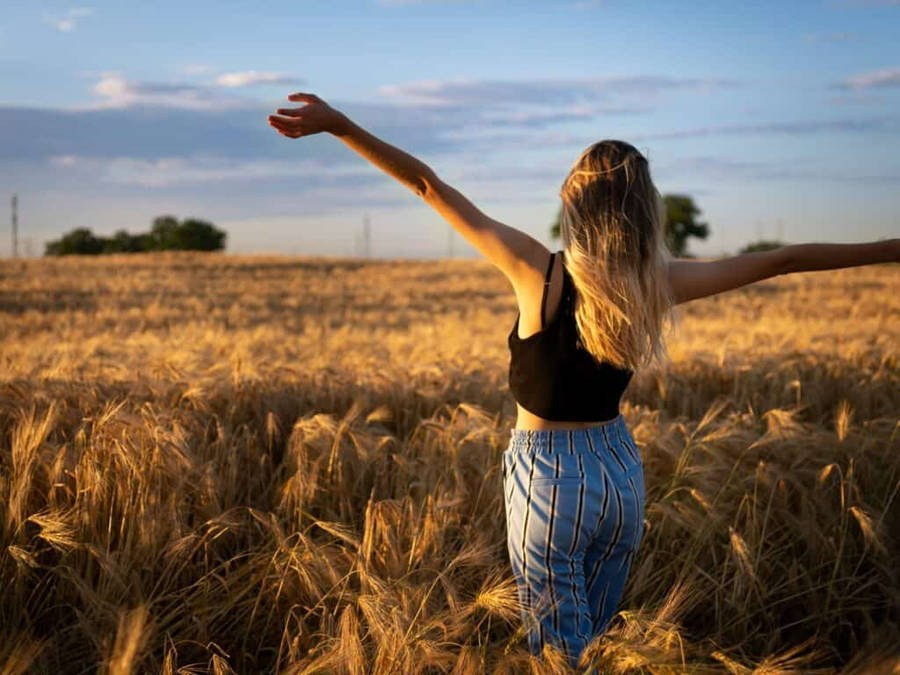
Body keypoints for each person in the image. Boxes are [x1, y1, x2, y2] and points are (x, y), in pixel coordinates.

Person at [267, 93, 900, 669]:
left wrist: (341, 126)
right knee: (601, 645)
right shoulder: (657, 283)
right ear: (645, 209)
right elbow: (784, 261)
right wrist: (888, 250)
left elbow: (429, 187)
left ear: (573, 203)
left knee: (561, 659)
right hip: (622, 472)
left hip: (549, 478)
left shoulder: (536, 272)